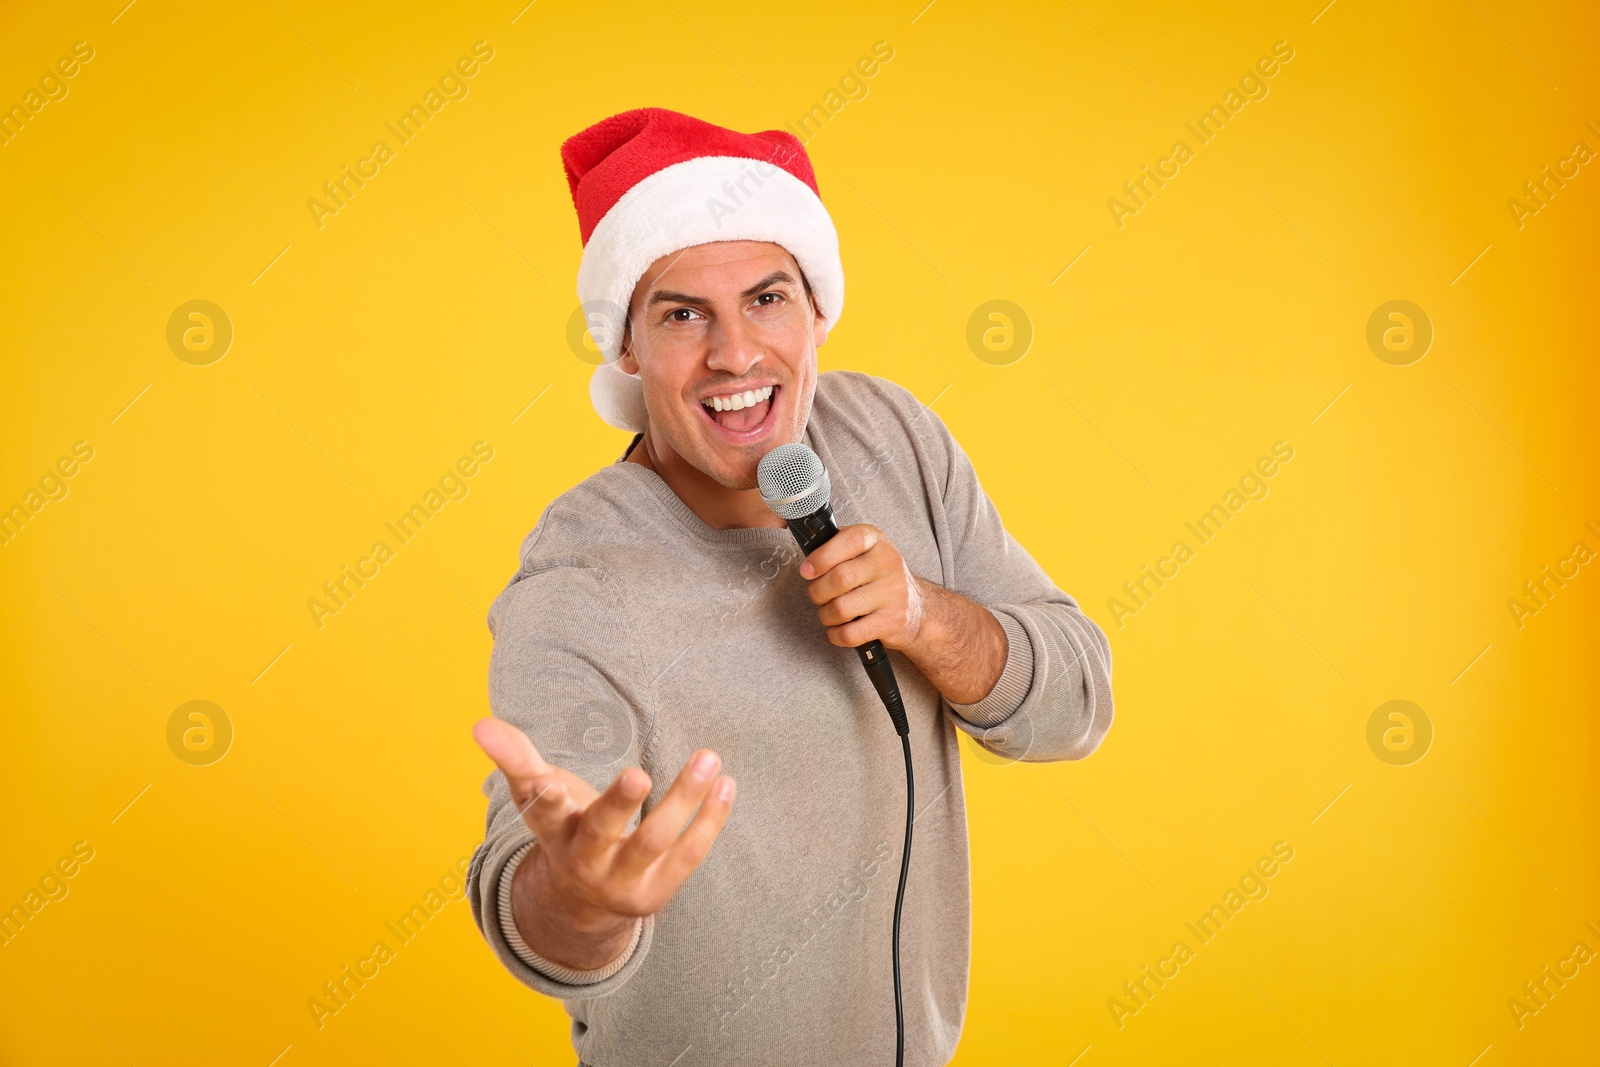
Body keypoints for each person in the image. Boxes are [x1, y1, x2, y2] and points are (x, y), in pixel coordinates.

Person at [467, 107, 1114, 1067]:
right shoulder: (583, 577)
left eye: (767, 300)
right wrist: (582, 899)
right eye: (682, 313)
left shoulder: (893, 435)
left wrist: (922, 614)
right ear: (628, 346)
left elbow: (1077, 703)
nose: (735, 354)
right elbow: (532, 889)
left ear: (817, 311)